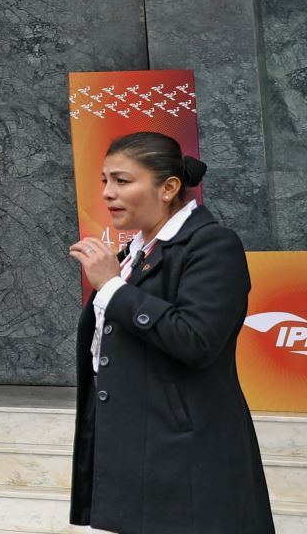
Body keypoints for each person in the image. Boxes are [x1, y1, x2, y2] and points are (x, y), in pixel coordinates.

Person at [68, 132, 273, 533]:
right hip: (140, 448)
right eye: (105, 181)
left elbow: (196, 340)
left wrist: (112, 287)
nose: (109, 193)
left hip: (188, 452)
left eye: (123, 181)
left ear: (169, 188)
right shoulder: (133, 253)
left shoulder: (212, 245)